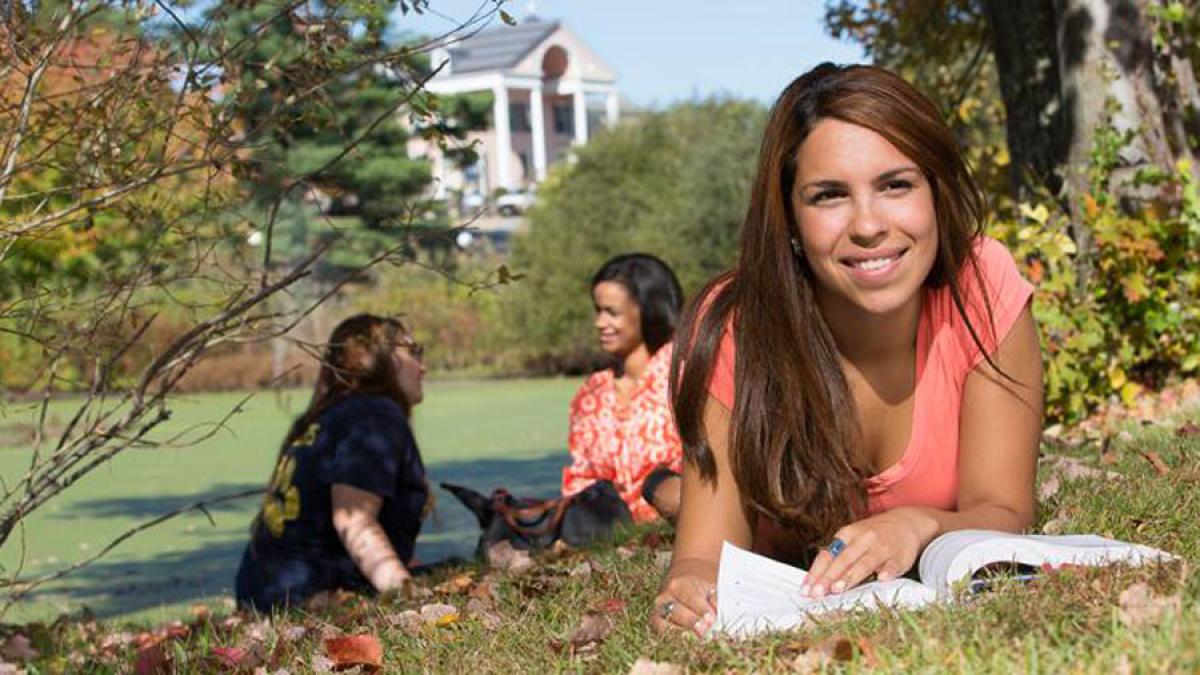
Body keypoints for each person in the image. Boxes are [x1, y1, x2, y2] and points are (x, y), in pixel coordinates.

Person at [652, 63, 1044, 635]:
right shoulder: (735, 324)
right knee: (676, 501)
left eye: (895, 185)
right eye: (829, 196)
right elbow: (702, 559)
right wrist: (686, 590)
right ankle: (664, 491)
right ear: (788, 216)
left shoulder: (982, 285)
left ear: (935, 191)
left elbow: (1004, 509)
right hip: (778, 553)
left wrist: (917, 525)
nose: (867, 225)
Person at [236, 314, 430, 611]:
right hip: (307, 597)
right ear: (377, 357)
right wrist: (407, 598)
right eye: (414, 351)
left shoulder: (329, 416)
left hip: (261, 593)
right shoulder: (375, 415)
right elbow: (353, 519)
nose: (423, 366)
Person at [562, 253, 687, 523]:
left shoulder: (687, 375)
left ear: (648, 309)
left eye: (612, 312)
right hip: (604, 535)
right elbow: (580, 478)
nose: (600, 323)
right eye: (598, 311)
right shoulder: (592, 392)